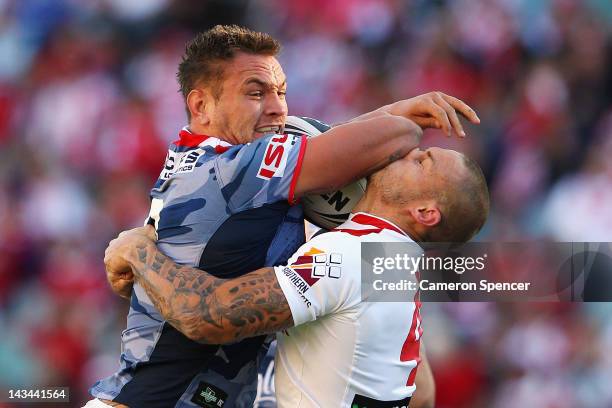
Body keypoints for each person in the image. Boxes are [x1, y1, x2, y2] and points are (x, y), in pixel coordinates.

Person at [89, 24, 478, 408]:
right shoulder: (231, 169)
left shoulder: (364, 250)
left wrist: (137, 253)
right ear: (201, 106)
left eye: (281, 93)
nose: (277, 108)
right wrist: (402, 118)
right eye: (255, 93)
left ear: (426, 213)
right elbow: (389, 139)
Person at [103, 145, 490, 407]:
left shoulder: (352, 253)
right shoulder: (392, 261)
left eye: (423, 161)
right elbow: (423, 393)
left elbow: (209, 316)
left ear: (425, 212)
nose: (409, 151)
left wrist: (138, 252)